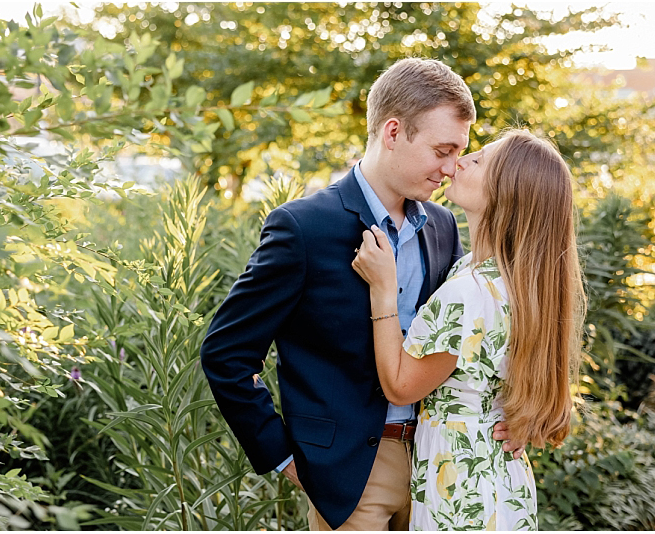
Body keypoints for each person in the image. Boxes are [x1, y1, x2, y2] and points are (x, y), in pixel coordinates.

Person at [200, 58, 521, 531]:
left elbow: (469, 333)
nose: (451, 169)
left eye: (459, 153)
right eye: (442, 150)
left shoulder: (443, 226)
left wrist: (513, 408)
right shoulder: (304, 228)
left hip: (442, 464)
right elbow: (226, 353)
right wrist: (287, 457)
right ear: (393, 132)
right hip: (351, 477)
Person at [352, 128, 586, 530]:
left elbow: (400, 386)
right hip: (496, 477)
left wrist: (384, 291)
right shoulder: (514, 280)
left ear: (505, 196)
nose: (459, 161)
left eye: (478, 160)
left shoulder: (469, 292)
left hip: (461, 485)